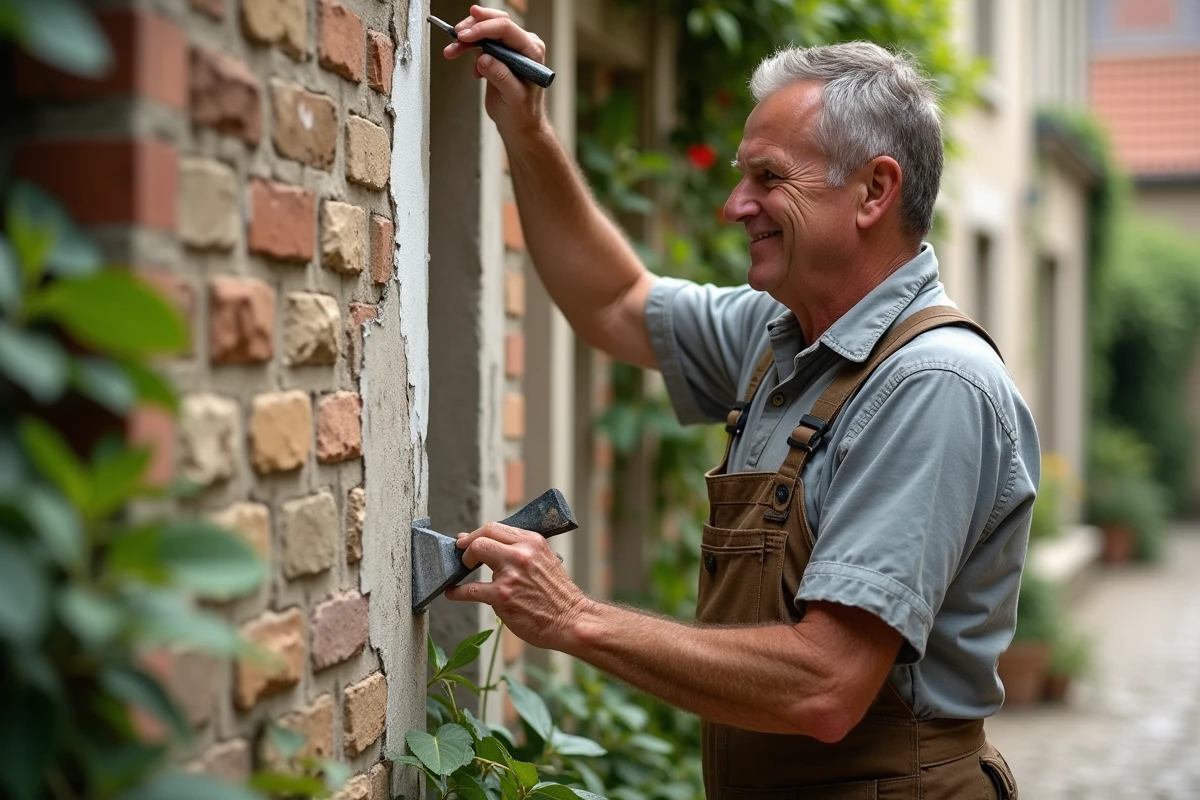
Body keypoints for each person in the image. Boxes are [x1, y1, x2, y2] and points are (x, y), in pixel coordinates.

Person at [441, 7, 1037, 798]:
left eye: (768, 177)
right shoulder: (782, 335)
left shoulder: (932, 387)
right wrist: (527, 129)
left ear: (874, 190)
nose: (735, 206)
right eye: (740, 175)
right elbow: (615, 300)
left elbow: (826, 684)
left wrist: (573, 616)